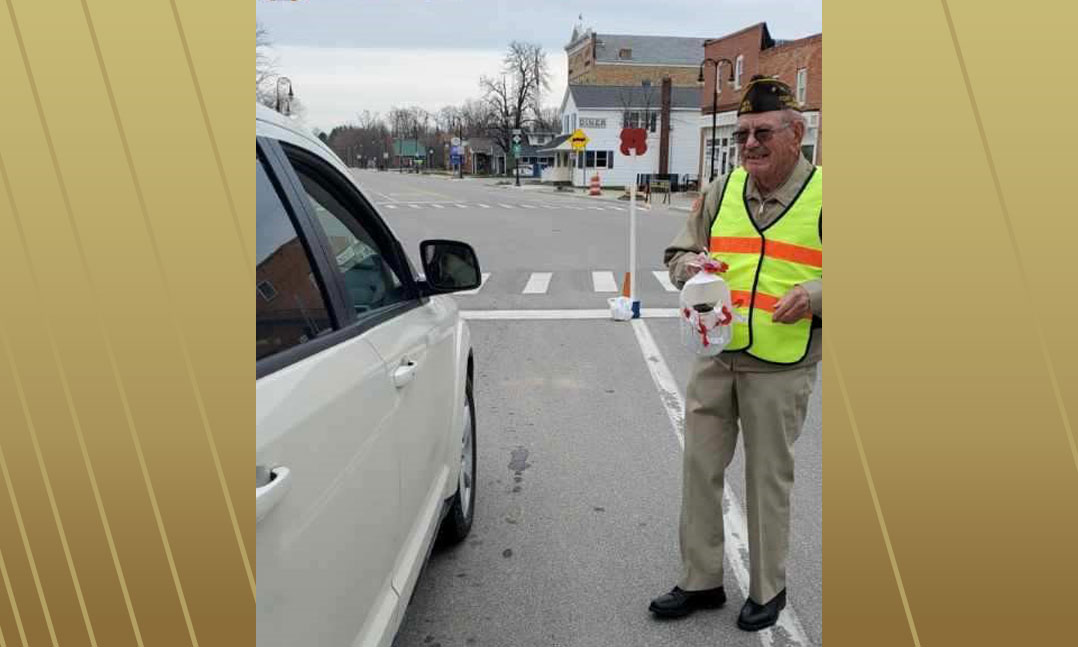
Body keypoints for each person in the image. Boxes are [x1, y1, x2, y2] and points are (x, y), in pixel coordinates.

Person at [649, 75, 822, 632]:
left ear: (795, 133)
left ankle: (768, 588)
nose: (749, 143)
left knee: (767, 477)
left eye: (762, 132)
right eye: (743, 133)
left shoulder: (826, 196)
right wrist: (688, 270)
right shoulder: (723, 190)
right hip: (715, 355)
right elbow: (678, 251)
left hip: (781, 363)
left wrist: (817, 295)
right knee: (699, 466)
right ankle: (701, 579)